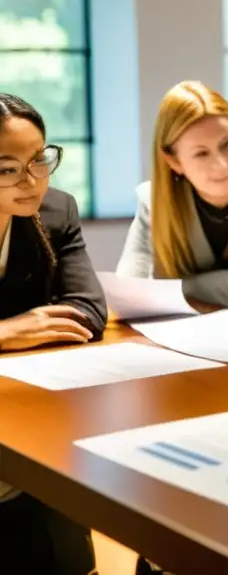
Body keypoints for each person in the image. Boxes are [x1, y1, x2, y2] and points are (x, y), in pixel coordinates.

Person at [0, 93, 104, 574]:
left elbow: (86, 309)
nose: (32, 180)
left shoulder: (56, 210)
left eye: (39, 160)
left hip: (30, 402)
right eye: (8, 169)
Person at [116, 81, 228, 310]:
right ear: (173, 161)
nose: (222, 165)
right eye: (201, 153)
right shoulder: (152, 201)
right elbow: (128, 292)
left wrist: (174, 290)